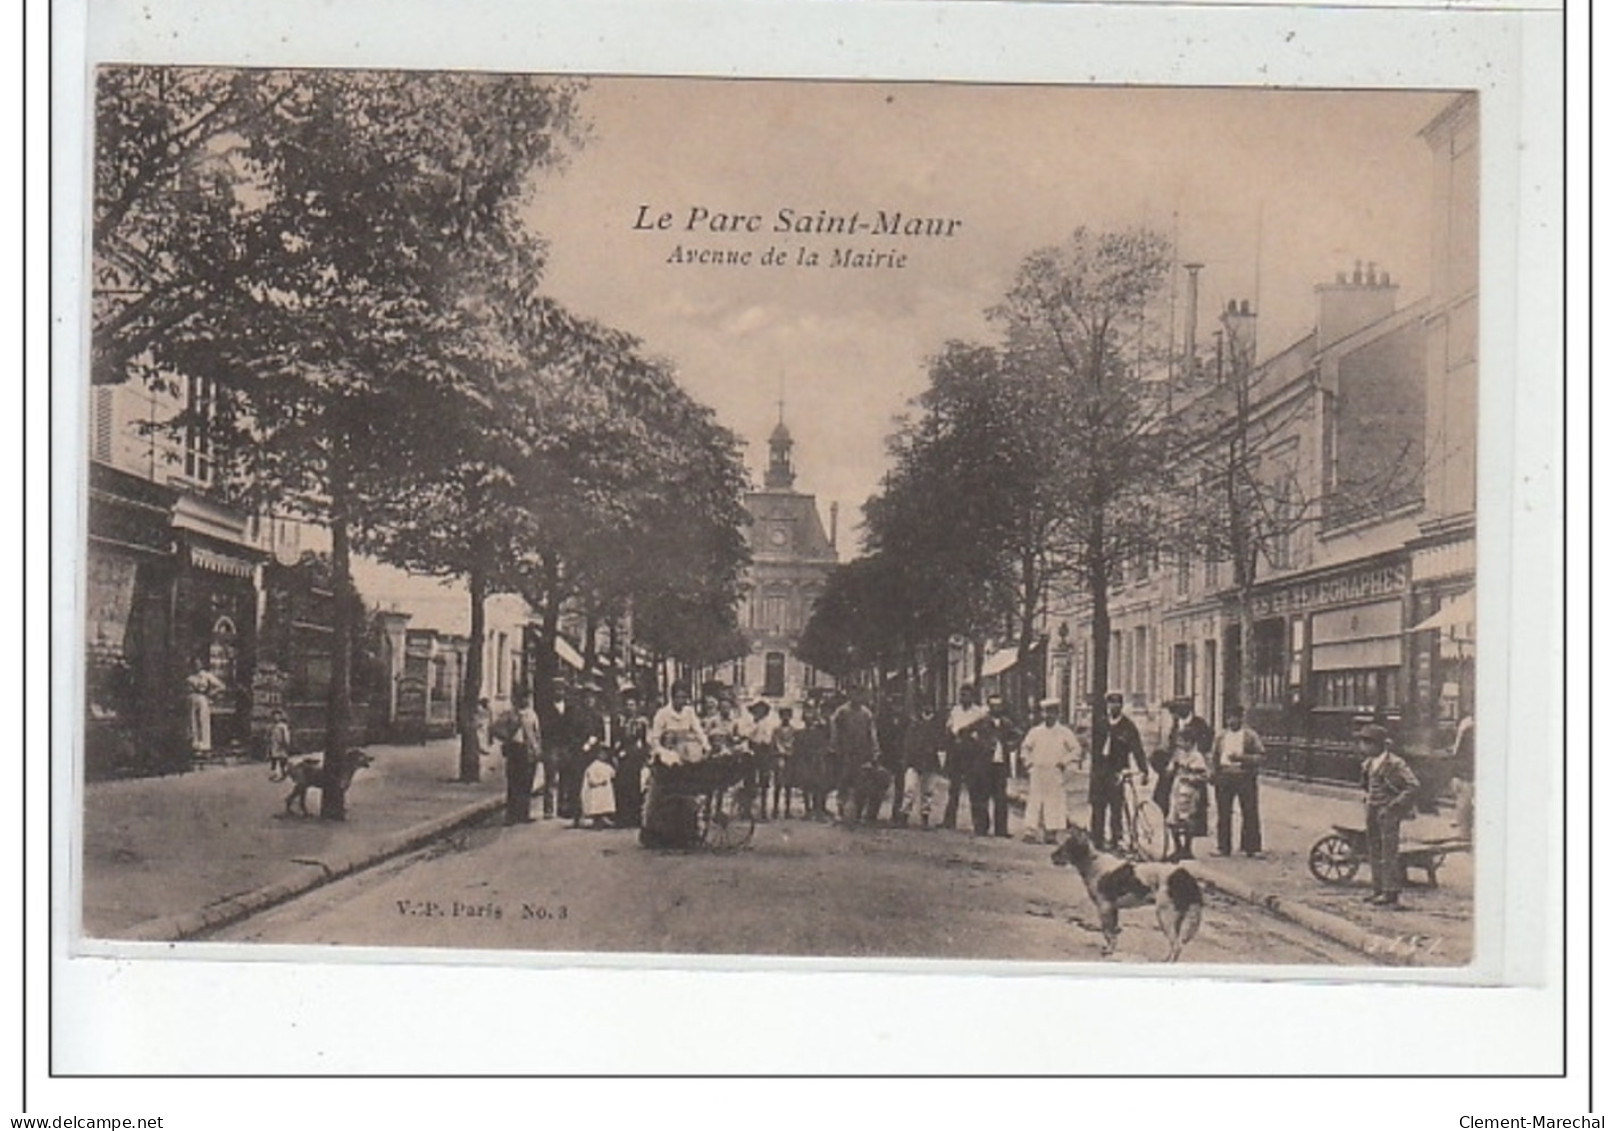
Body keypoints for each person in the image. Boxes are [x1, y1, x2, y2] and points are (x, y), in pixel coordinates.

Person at [1358, 723, 1420, 908]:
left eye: (1366, 743)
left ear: (1378, 745)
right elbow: (1366, 785)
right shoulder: (1368, 764)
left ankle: (1391, 892)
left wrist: (1394, 805)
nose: (1363, 747)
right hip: (1372, 810)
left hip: (1388, 812)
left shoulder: (1395, 763)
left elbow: (1413, 785)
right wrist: (1368, 798)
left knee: (1388, 852)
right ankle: (1378, 889)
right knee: (1374, 850)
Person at [641, 684, 710, 848]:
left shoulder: (689, 712)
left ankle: (688, 831)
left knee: (688, 790)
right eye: (678, 697)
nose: (681, 700)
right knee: (662, 792)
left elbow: (698, 730)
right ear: (672, 697)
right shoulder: (663, 714)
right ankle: (660, 832)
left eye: (684, 697)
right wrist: (661, 751)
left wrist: (705, 745)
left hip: (685, 753)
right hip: (666, 753)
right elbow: (654, 738)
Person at [1090, 692, 1148, 850]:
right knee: (1098, 807)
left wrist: (1144, 770)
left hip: (1116, 771)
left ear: (1121, 706)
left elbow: (1137, 749)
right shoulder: (1101, 724)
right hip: (1100, 771)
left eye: (1116, 704)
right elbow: (1094, 748)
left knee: (1116, 807)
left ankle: (1116, 839)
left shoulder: (1128, 727)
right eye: (1110, 704)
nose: (1113, 707)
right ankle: (1098, 840)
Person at [1210, 704, 1267, 857]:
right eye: (1229, 718)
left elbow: (1261, 757)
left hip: (1244, 777)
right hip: (1224, 776)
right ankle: (1223, 847)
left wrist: (1242, 758)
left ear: (1241, 718)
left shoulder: (1250, 736)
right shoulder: (1221, 736)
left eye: (1235, 717)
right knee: (1223, 813)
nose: (1231, 721)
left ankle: (1252, 848)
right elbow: (1214, 756)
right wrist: (1213, 774)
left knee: (1249, 811)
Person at [1019, 698, 1078, 844]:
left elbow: (1076, 749)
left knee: (1054, 801)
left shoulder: (1064, 732)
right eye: (1046, 712)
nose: (1048, 716)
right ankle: (1030, 831)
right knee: (1034, 800)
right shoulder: (1036, 732)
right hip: (1038, 770)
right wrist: (1029, 763)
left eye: (1052, 712)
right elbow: (1025, 748)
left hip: (1054, 770)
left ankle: (1051, 831)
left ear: (1057, 714)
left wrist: (1064, 761)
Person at [829, 687, 884, 824]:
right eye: (853, 694)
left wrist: (875, 751)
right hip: (845, 753)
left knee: (861, 784)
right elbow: (834, 730)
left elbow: (872, 734)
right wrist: (834, 747)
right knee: (843, 782)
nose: (856, 697)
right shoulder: (842, 712)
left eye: (859, 694)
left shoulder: (866, 713)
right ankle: (840, 811)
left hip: (862, 754)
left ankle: (858, 814)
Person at [942, 684, 992, 831]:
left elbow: (982, 732)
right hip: (956, 752)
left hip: (971, 753)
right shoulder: (955, 711)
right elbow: (949, 727)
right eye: (962, 695)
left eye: (966, 695)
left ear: (972, 696)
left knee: (974, 789)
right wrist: (952, 735)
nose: (963, 697)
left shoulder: (979, 713)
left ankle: (979, 824)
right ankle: (949, 821)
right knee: (954, 788)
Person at [494, 687, 543, 825]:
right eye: (522, 697)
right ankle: (511, 815)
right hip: (515, 749)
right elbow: (496, 729)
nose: (525, 700)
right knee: (513, 782)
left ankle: (524, 813)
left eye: (526, 697)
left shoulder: (532, 714)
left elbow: (537, 734)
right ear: (516, 699)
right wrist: (506, 737)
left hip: (528, 750)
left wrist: (538, 750)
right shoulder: (510, 714)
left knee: (527, 783)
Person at [1165, 726, 1210, 861]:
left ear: (1191, 742)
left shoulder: (1197, 757)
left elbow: (1204, 776)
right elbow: (1170, 769)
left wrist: (1191, 778)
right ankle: (1177, 847)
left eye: (1184, 741)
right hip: (1177, 787)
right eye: (1180, 741)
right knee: (1173, 819)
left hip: (1190, 790)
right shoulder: (1178, 754)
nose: (1181, 744)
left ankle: (1187, 848)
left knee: (1187, 819)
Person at [898, 702, 946, 829]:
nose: (927, 708)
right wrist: (907, 759)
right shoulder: (914, 723)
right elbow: (908, 742)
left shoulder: (938, 724)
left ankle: (925, 817)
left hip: (930, 761)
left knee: (928, 791)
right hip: (914, 760)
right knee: (909, 789)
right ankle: (904, 815)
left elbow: (941, 743)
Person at [980, 693, 1019, 837]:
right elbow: (967, 733)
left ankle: (1001, 829)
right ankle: (982, 827)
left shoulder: (1006, 723)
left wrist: (1011, 744)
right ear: (989, 707)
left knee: (1001, 798)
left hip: (1001, 764)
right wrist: (981, 745)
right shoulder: (982, 722)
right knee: (983, 796)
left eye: (999, 705)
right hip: (985, 763)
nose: (996, 708)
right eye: (993, 705)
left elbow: (1017, 735)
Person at [612, 689, 650, 829]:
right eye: (627, 705)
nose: (630, 707)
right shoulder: (621, 721)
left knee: (635, 786)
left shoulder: (642, 722)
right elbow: (616, 739)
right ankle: (622, 816)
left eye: (632, 705)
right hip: (623, 756)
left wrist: (645, 755)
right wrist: (616, 753)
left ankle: (635, 817)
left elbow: (645, 741)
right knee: (622, 786)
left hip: (636, 757)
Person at [184, 658, 228, 760]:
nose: (196, 666)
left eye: (198, 664)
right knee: (192, 722)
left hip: (202, 698)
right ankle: (195, 746)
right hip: (191, 699)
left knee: (203, 720)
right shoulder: (189, 677)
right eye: (194, 664)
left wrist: (212, 693)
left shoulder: (205, 675)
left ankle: (205, 746)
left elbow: (221, 686)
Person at [744, 701, 780, 822]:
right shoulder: (750, 723)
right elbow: (745, 735)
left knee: (764, 782)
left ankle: (763, 811)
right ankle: (747, 810)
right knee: (749, 782)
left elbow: (768, 739)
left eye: (761, 711)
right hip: (752, 753)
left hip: (764, 753)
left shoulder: (769, 724)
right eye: (756, 711)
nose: (758, 713)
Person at [1451, 713, 1475, 839]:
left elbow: (1457, 750)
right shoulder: (1468, 728)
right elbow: (1460, 751)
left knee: (1465, 802)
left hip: (1469, 772)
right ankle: (1464, 834)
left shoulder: (1468, 727)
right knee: (1465, 802)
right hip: (1468, 773)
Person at [771, 706, 798, 818]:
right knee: (778, 784)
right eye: (783, 715)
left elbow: (794, 742)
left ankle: (787, 809)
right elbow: (775, 742)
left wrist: (790, 751)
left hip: (790, 758)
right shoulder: (776, 730)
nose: (785, 718)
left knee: (788, 785)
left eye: (788, 715)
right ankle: (775, 808)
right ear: (780, 716)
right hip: (779, 757)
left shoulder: (794, 731)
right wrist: (781, 751)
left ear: (791, 717)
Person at [581, 745, 617, 829]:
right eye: (602, 754)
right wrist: (600, 781)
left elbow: (613, 774)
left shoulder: (607, 766)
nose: (604, 756)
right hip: (597, 790)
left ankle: (602, 820)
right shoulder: (593, 766)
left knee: (603, 807)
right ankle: (597, 822)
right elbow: (592, 779)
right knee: (597, 807)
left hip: (604, 791)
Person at [266, 708, 294, 781]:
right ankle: (274, 774)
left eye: (277, 716)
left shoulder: (283, 726)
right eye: (274, 716)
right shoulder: (271, 726)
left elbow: (286, 735)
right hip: (274, 745)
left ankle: (283, 773)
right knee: (273, 760)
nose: (276, 717)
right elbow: (268, 735)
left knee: (282, 760)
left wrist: (287, 743)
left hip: (281, 745)